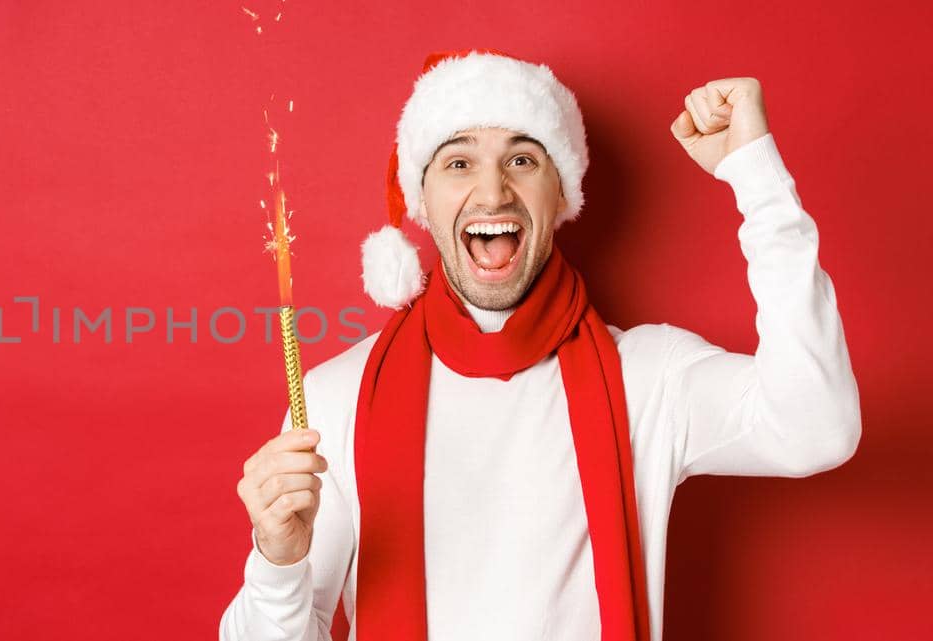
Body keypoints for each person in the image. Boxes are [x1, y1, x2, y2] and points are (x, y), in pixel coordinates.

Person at [218, 49, 861, 641]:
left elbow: (817, 427)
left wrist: (757, 179)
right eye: (458, 162)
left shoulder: (650, 376)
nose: (493, 191)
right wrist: (277, 562)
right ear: (423, 199)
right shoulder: (336, 397)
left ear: (562, 195)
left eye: (523, 159)